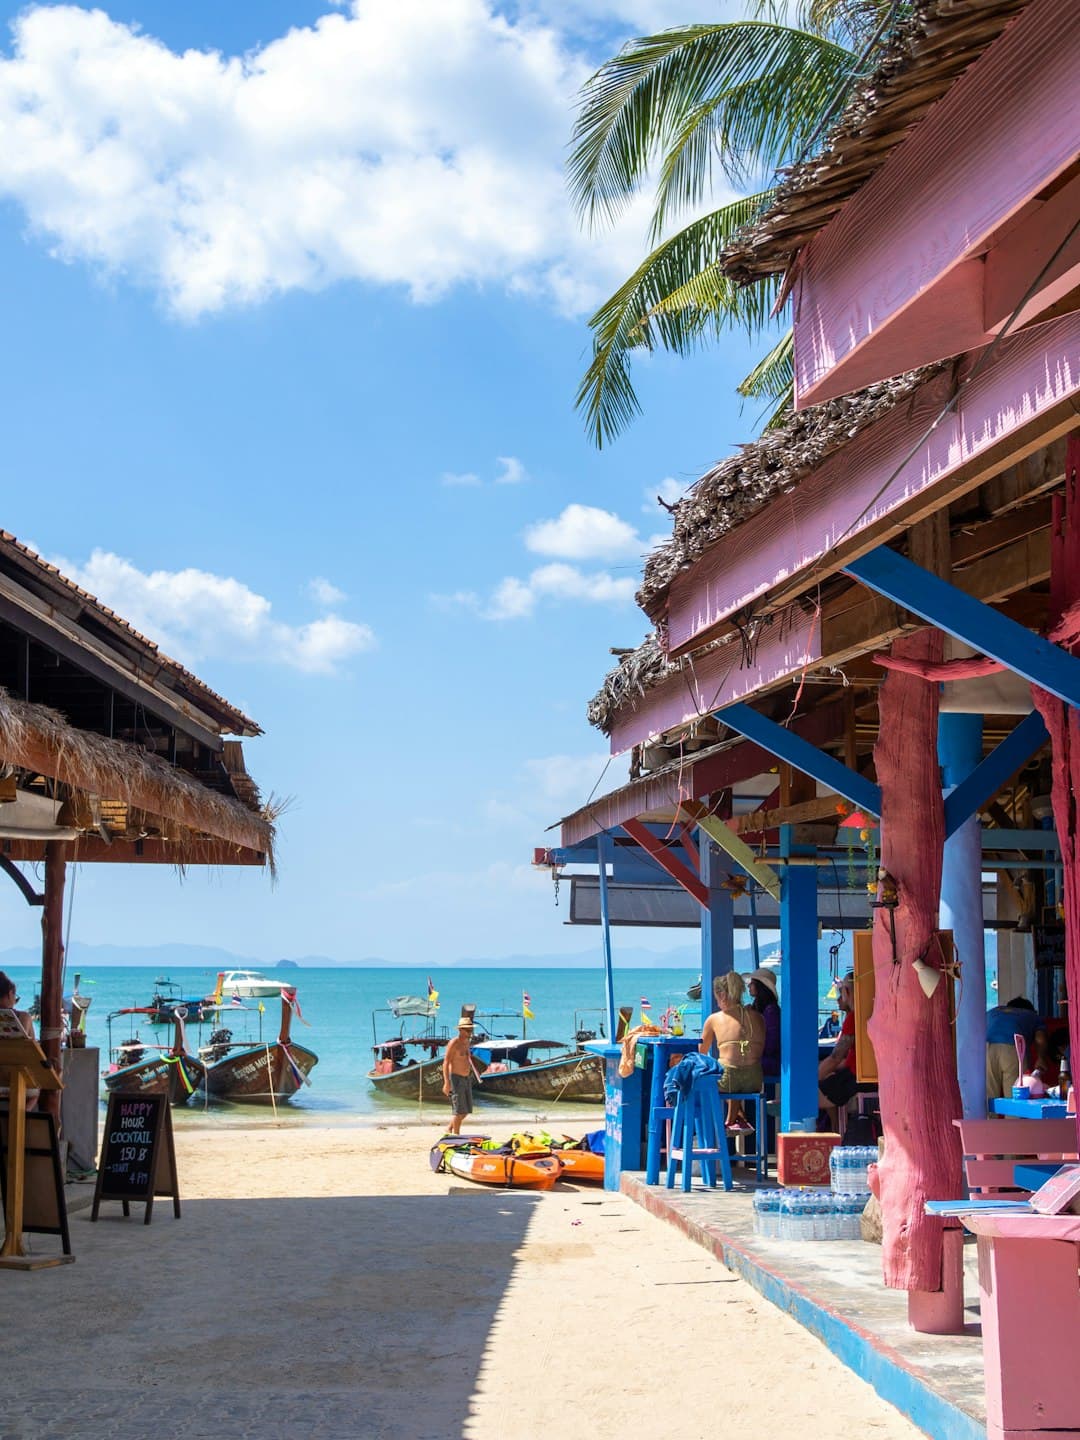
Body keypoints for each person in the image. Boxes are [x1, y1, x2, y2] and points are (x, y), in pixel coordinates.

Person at [699, 972, 765, 1132]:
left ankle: (729, 1122)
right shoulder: (757, 1017)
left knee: (708, 1078)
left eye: (716, 998)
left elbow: (701, 1053)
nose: (717, 1002)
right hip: (755, 1080)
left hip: (729, 1081)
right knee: (734, 1074)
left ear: (721, 995)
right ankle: (737, 1117)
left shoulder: (714, 1019)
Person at [818, 972, 858, 1120]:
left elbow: (835, 1058)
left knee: (807, 1095)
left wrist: (814, 1078)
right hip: (859, 1076)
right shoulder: (862, 1014)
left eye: (841, 991)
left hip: (854, 1079)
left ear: (847, 992)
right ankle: (835, 1130)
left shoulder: (853, 1018)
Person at [985, 996, 1040, 1100]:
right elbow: (1040, 1038)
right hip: (1013, 1048)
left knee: (989, 1099)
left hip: (987, 1047)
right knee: (1015, 1099)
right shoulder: (1031, 1015)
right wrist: (1041, 1058)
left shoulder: (992, 1012)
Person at [0, 971, 39, 1109]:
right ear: (10, 993)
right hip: (14, 1083)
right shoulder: (23, 1018)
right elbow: (33, 1053)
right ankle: (21, 1118)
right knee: (35, 1092)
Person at [442, 1018, 480, 1135]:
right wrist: (446, 1082)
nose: (470, 1033)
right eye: (467, 1030)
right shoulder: (454, 1043)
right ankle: (456, 1135)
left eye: (471, 1030)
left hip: (466, 1078)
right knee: (458, 1111)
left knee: (466, 1111)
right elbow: (446, 1062)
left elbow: (467, 1058)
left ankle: (449, 1128)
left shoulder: (467, 1043)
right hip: (456, 1078)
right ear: (460, 1030)